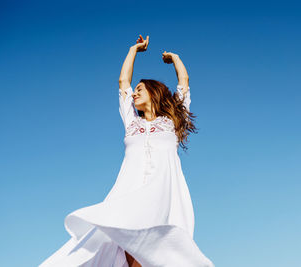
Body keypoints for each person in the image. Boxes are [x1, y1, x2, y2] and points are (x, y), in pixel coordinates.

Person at [39, 34, 214, 267]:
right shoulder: (132, 122)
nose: (134, 93)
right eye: (135, 90)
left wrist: (175, 58)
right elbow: (123, 83)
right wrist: (134, 49)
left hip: (162, 193)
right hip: (130, 192)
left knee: (154, 249)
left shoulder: (171, 122)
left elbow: (184, 82)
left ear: (154, 92)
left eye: (140, 89)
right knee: (128, 248)